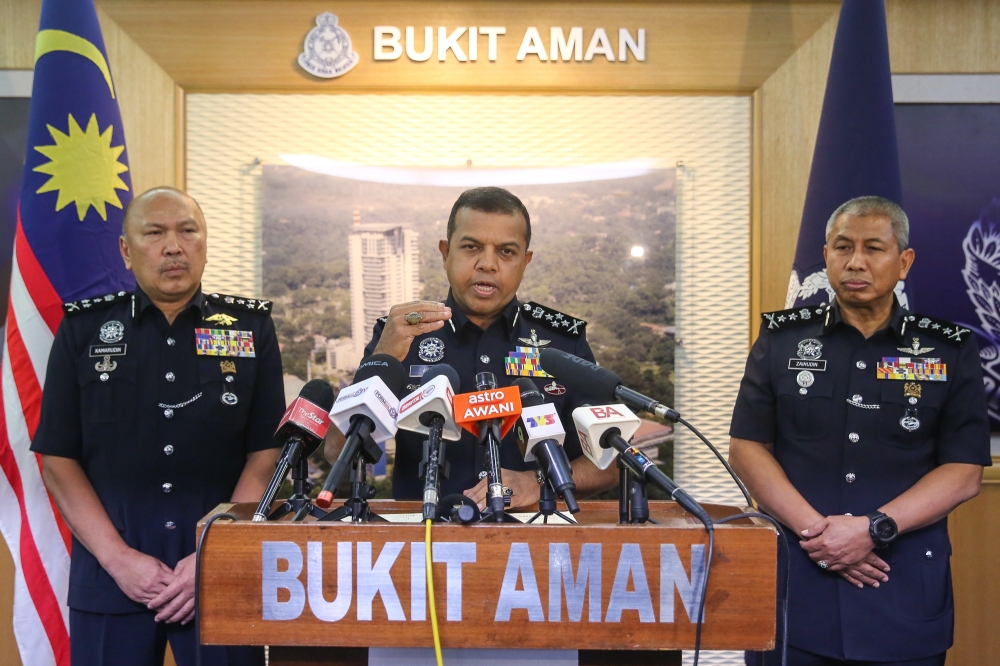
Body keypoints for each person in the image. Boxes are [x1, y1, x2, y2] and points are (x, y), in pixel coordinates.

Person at [730, 196, 991, 666]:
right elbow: (748, 448)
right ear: (825, 254)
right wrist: (822, 535)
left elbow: (964, 470)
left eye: (874, 248)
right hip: (798, 581)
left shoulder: (947, 349)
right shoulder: (781, 339)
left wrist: (874, 528)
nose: (856, 262)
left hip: (901, 585)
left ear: (903, 261)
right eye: (842, 247)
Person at [31, 187, 285, 666]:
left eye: (188, 231)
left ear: (205, 243)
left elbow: (266, 454)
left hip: (220, 571)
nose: (174, 246)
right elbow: (58, 460)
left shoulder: (249, 330)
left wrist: (214, 550)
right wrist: (118, 560)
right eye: (155, 233)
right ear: (126, 250)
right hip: (111, 579)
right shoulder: (85, 331)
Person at [326, 186, 618, 509]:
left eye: (506, 252)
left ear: (525, 261)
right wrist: (384, 358)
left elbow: (611, 463)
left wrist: (538, 483)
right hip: (422, 543)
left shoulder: (562, 343)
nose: (488, 264)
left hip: (534, 546)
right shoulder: (402, 335)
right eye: (471, 247)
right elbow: (337, 450)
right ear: (445, 253)